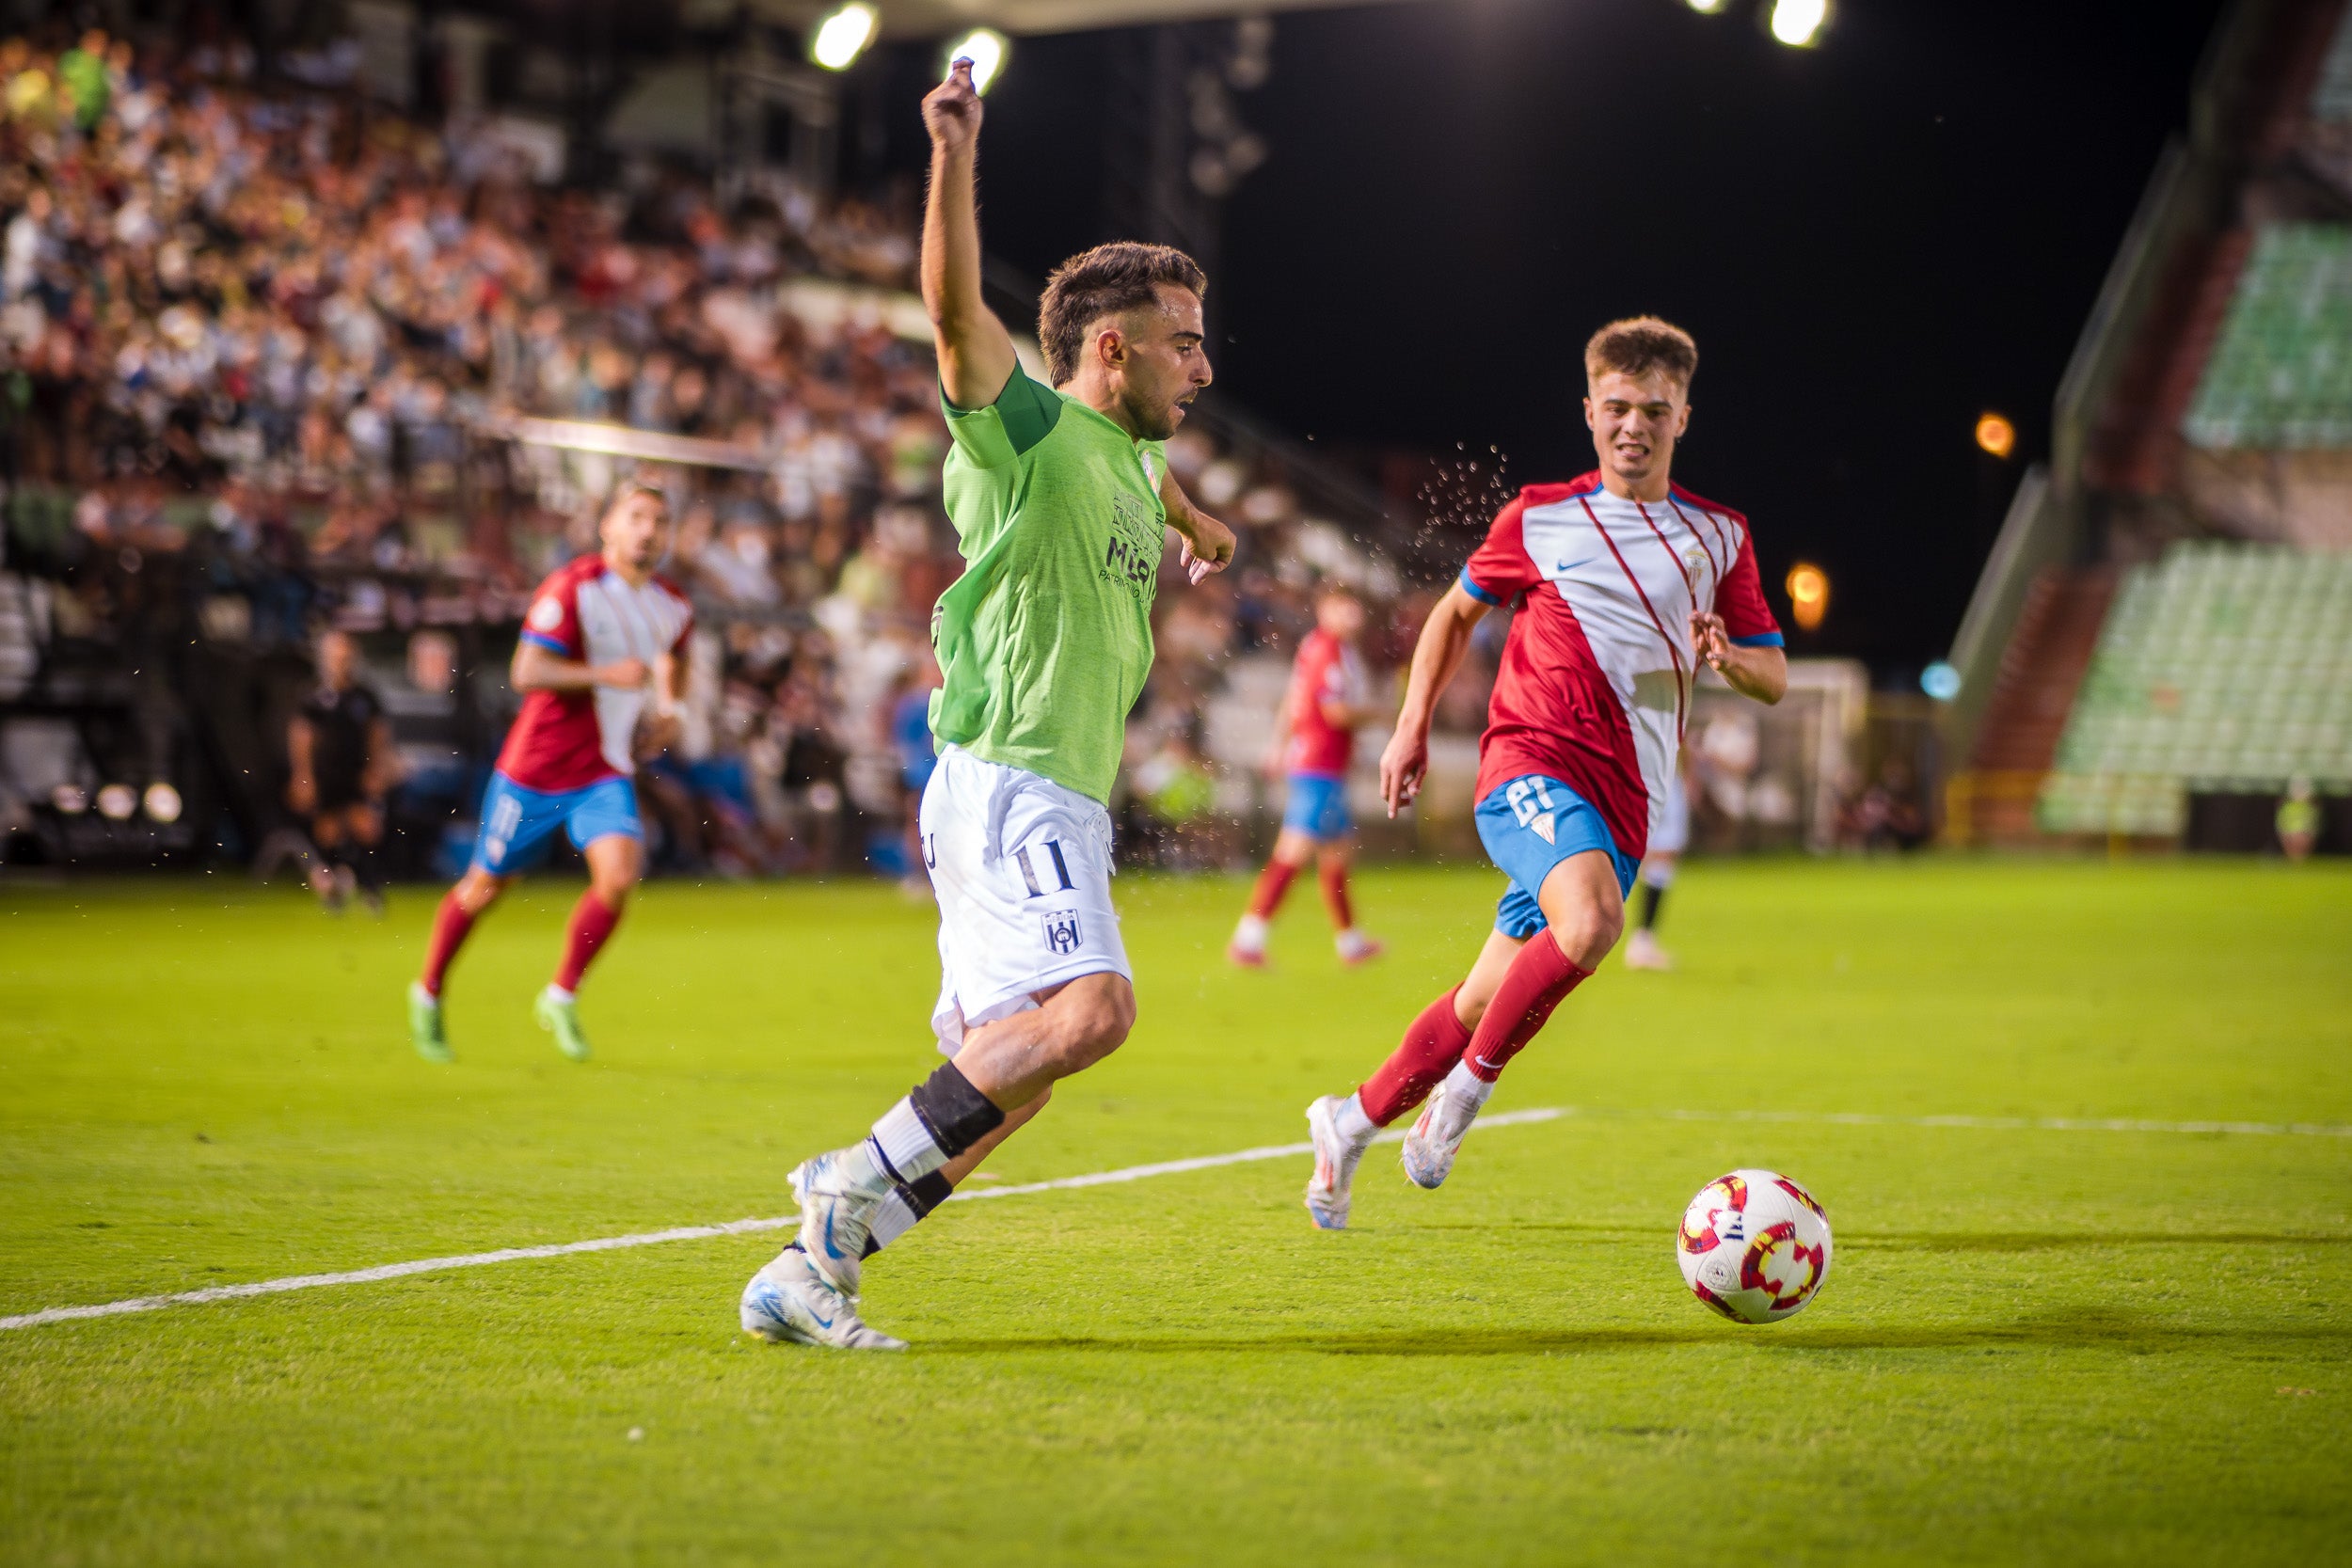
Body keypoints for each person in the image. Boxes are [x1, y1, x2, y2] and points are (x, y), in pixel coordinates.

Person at [739, 56, 1236, 1351]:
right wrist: (954, 152)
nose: (1206, 363)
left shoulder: (1130, 454)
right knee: (1094, 1014)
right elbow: (957, 316)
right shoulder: (1024, 432)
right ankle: (849, 1178)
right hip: (1014, 773)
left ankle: (809, 1272)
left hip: (1034, 786)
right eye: (1185, 340)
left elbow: (1150, 469)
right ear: (1111, 347)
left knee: (1015, 1083)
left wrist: (1200, 518)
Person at [1300, 317, 1788, 1229]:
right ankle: (1459, 1104)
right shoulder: (1540, 517)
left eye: (1653, 408)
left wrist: (1725, 654)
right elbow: (1451, 615)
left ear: (1683, 413)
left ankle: (1350, 1119)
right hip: (1528, 764)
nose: (1632, 424)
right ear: (1588, 410)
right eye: (1615, 407)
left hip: (1625, 799)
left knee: (1484, 995)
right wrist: (1409, 726)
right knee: (1595, 919)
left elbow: (1773, 673)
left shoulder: (1719, 538)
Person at [406, 483, 691, 1065]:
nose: (648, 530)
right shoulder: (572, 589)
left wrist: (671, 711)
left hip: (603, 772)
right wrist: (605, 674)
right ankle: (428, 989)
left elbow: (677, 653)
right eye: (636, 516)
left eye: (660, 521)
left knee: (618, 876)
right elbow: (527, 670)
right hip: (533, 773)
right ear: (606, 526)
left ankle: (561, 993)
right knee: (486, 887)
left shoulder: (672, 604)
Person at [1229, 582, 1385, 967]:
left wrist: (1280, 746)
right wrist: (1382, 712)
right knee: (1294, 852)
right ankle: (1248, 938)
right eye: (1343, 606)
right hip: (1318, 766)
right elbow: (1334, 712)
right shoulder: (1329, 651)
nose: (1353, 615)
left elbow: (1294, 700)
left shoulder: (1322, 648)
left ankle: (1350, 942)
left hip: (1324, 765)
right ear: (1325, 609)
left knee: (1337, 854)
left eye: (1355, 607)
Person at [286, 627, 398, 915]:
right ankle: (334, 885)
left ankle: (370, 889)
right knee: (328, 831)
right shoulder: (312, 695)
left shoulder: (364, 696)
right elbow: (301, 736)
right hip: (326, 776)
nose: (341, 660)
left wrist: (377, 768)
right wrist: (303, 775)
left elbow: (377, 734)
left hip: (357, 773)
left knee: (367, 827)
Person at [1624, 760, 1692, 971]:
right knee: (1664, 850)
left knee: (1664, 857)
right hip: (1655, 769)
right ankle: (1641, 942)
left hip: (1665, 770)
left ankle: (1643, 940)